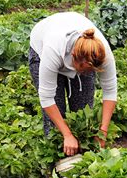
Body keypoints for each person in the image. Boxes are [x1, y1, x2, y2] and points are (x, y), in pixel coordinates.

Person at [29, 12, 117, 156]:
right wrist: (67, 135)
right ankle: (58, 167)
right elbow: (46, 98)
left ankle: (84, 162)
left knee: (84, 115)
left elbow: (110, 92)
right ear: (75, 58)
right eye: (84, 70)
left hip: (75, 47)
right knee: (55, 124)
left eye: (90, 71)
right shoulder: (53, 50)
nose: (86, 73)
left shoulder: (102, 53)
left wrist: (103, 131)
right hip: (41, 46)